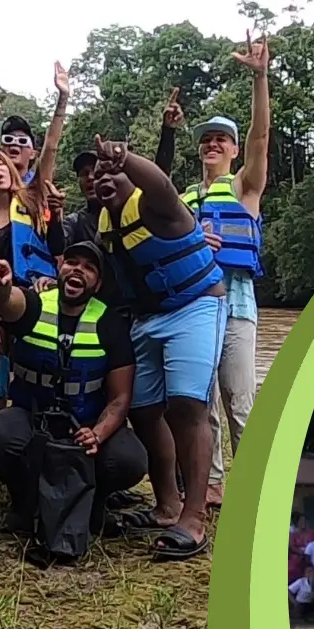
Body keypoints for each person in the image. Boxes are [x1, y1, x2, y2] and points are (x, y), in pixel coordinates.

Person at [88, 136, 227, 561]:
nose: (104, 177)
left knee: (186, 407)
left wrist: (125, 158)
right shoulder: (105, 226)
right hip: (145, 319)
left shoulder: (157, 206)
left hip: (196, 306)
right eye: (98, 175)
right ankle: (166, 505)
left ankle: (194, 517)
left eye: (113, 172)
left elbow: (162, 183)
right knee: (144, 409)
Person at [0, 242, 147, 547]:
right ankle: (25, 501)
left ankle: (93, 502)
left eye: (89, 267)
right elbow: (7, 301)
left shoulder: (111, 324)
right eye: (72, 262)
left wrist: (98, 434)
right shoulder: (36, 304)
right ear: (59, 269)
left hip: (85, 422)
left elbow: (120, 399)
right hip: (32, 415)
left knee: (130, 459)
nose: (78, 269)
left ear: (98, 283)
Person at [164, 36, 270, 508]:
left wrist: (259, 77)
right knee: (201, 402)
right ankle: (211, 484)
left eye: (220, 140)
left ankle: (257, 486)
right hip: (196, 307)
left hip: (237, 301)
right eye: (205, 139)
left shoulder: (245, 186)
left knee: (240, 401)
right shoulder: (185, 197)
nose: (212, 144)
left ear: (232, 150)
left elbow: (261, 137)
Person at [0, 64, 70, 415]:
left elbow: (51, 148)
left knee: (34, 364)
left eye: (0, 164)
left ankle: (37, 425)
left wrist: (62, 99)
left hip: (36, 292)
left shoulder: (33, 195)